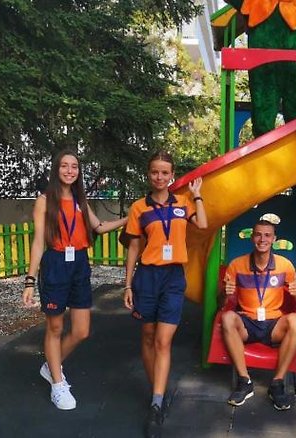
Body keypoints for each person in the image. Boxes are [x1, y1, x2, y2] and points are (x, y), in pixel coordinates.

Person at [21, 149, 127, 410]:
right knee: (55, 328)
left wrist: (129, 217)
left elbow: (99, 227)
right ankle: (58, 384)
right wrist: (29, 281)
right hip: (55, 264)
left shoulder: (81, 200)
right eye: (64, 166)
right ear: (56, 169)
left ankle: (51, 366)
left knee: (81, 330)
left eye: (74, 167)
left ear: (79, 172)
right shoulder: (45, 200)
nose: (70, 171)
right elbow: (38, 242)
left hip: (79, 264)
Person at [122, 151, 207, 438]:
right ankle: (157, 390)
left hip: (173, 277)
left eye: (165, 172)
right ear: (149, 174)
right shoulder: (139, 208)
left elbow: (203, 224)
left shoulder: (183, 203)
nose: (159, 177)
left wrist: (197, 196)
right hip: (147, 277)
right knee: (148, 336)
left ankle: (156, 403)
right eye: (155, 172)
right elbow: (134, 248)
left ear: (172, 176)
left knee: (162, 340)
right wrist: (127, 284)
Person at [221, 217, 296, 411]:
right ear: (252, 238)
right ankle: (244, 381)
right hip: (247, 322)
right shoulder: (237, 264)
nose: (262, 239)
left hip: (274, 324)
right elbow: (221, 304)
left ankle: (277, 383)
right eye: (258, 235)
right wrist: (224, 293)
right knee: (227, 318)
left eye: (267, 235)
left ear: (274, 239)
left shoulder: (285, 265)